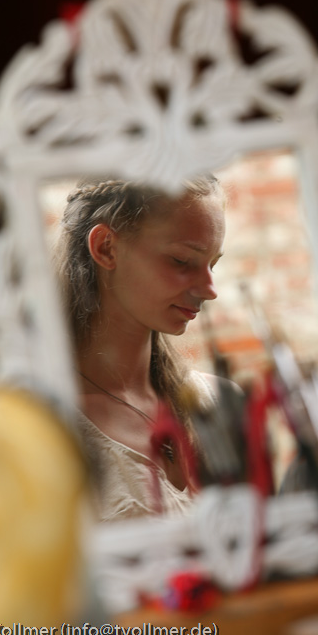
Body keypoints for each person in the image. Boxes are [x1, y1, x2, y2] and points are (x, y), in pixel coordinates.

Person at [54, 176, 226, 521]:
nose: (210, 290)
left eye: (213, 263)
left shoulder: (218, 403)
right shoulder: (50, 429)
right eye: (181, 260)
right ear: (106, 247)